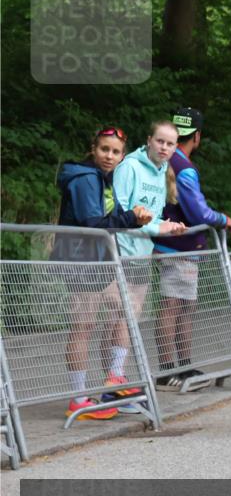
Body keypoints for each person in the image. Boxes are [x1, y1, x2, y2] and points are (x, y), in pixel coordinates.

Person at [55, 126, 153, 419]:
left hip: (99, 259)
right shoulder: (85, 178)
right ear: (93, 149)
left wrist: (134, 218)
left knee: (125, 308)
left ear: (122, 156)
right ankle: (78, 399)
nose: (109, 156)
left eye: (115, 152)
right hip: (81, 259)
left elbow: (111, 217)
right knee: (83, 325)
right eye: (104, 149)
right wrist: (130, 218)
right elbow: (92, 223)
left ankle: (114, 383)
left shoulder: (105, 179)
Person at [151, 108, 231, 392]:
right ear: (197, 136)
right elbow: (198, 212)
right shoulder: (183, 166)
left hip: (167, 244)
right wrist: (223, 219)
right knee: (174, 306)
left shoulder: (163, 157)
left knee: (183, 306)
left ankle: (184, 367)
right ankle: (169, 370)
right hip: (179, 245)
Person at [111, 121, 188, 411]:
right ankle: (112, 385)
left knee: (131, 317)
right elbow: (119, 212)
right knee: (119, 317)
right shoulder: (130, 167)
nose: (164, 147)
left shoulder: (161, 171)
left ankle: (115, 381)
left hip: (143, 252)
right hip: (121, 251)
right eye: (160, 141)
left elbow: (151, 217)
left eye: (170, 144)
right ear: (149, 140)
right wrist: (158, 227)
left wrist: (165, 226)